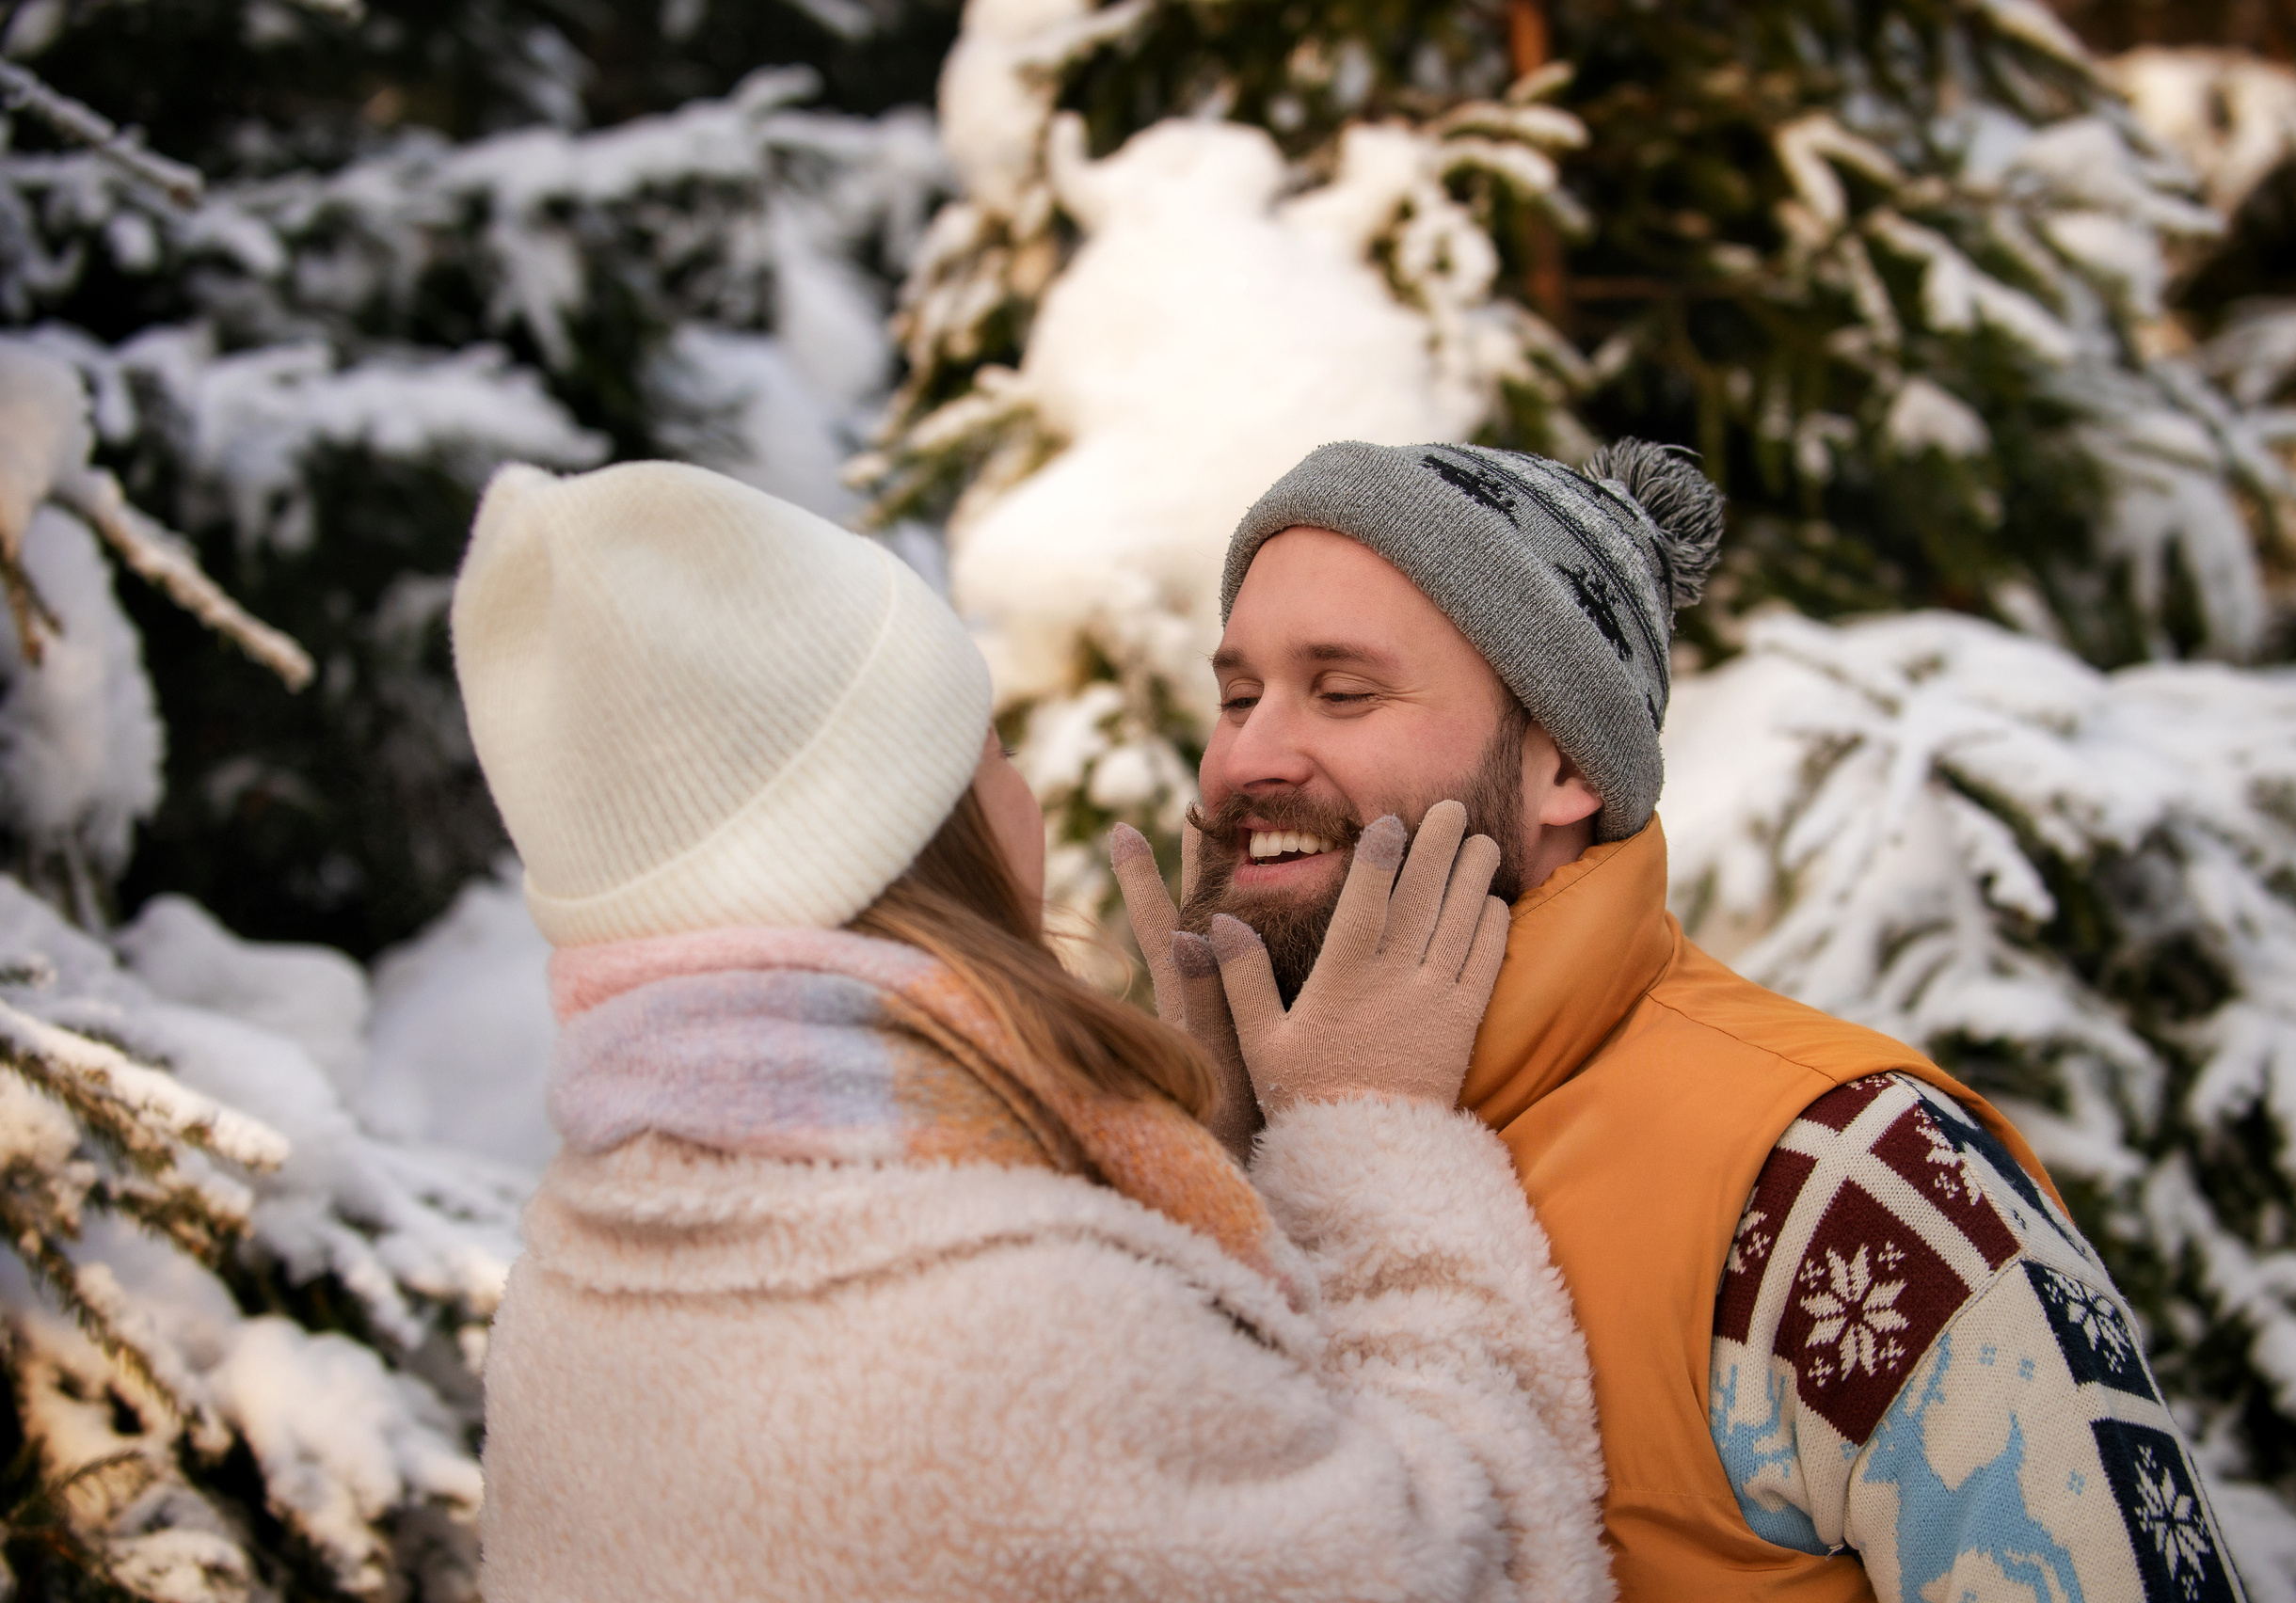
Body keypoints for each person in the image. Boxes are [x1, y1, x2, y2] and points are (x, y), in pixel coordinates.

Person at [455, 459, 1615, 1602]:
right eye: (992, 751)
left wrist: (1194, 1166)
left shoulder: (579, 1266)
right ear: (921, 827)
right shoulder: (1005, 1325)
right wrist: (1369, 1134)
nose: (1244, 757)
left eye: (1344, 691)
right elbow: (1478, 1562)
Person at [1111, 440, 2245, 1603]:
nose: (1242, 756)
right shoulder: (1189, 1152)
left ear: (1565, 765)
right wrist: (1200, 1174)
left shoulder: (1846, 1183)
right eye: (1236, 695)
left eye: (1343, 690)